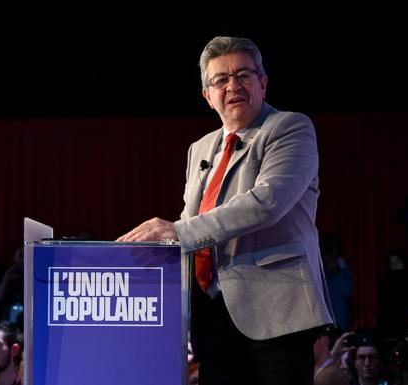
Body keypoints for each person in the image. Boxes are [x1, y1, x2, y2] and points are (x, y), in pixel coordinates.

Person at [118, 36, 333, 384]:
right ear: (207, 95)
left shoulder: (289, 128)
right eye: (220, 80)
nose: (233, 85)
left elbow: (266, 203)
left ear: (263, 83)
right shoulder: (200, 147)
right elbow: (193, 219)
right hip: (211, 313)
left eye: (244, 75)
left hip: (276, 310)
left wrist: (178, 231)